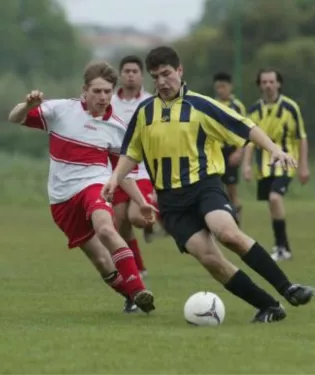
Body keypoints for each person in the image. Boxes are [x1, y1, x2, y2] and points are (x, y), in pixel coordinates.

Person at [102, 46, 313, 323]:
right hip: (170, 201)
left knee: (228, 233)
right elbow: (131, 152)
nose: (163, 82)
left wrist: (274, 149)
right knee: (210, 259)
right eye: (156, 77)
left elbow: (245, 126)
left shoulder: (201, 105)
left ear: (179, 71)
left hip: (204, 186)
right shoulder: (145, 112)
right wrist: (115, 178)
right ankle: (269, 306)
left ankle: (288, 287)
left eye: (167, 74)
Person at [8, 60, 155, 314]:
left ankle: (139, 288)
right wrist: (28, 106)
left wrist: (141, 202)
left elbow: (123, 174)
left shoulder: (117, 128)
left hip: (94, 185)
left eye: (107, 91)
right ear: (84, 90)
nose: (102, 97)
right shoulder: (60, 110)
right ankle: (131, 296)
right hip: (61, 198)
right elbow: (14, 118)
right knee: (101, 261)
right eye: (96, 91)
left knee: (106, 228)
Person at [243, 69, 310, 261]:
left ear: (278, 83)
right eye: (264, 82)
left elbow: (301, 137)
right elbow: (250, 141)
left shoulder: (290, 107)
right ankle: (282, 247)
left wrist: (304, 166)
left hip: (286, 162)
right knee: (272, 205)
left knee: (274, 198)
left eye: (271, 81)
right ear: (260, 85)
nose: (268, 85)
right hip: (263, 166)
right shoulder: (254, 110)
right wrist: (247, 166)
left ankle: (281, 247)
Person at [111, 56, 153, 284]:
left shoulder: (150, 102)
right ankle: (139, 268)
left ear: (141, 75)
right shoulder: (110, 102)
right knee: (120, 221)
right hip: (119, 170)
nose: (130, 75)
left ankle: (153, 224)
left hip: (144, 170)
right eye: (126, 71)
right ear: (120, 75)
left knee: (136, 217)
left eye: (134, 71)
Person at [213, 72, 246, 224]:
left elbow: (244, 130)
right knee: (216, 185)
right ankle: (224, 213)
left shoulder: (237, 106)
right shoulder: (212, 104)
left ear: (230, 87)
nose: (220, 90)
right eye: (218, 87)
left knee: (231, 186)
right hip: (216, 151)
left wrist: (240, 151)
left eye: (223, 87)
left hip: (231, 149)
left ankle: (235, 212)